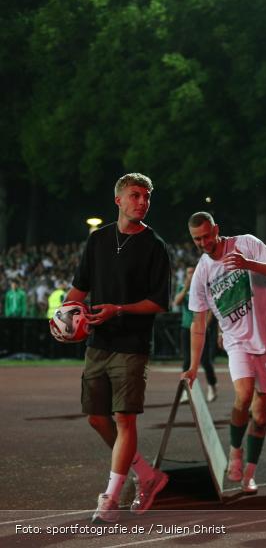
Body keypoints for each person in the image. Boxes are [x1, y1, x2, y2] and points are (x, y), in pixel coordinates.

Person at [55, 173, 170, 523]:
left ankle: (111, 498)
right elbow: (79, 289)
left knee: (124, 419)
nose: (142, 202)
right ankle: (147, 475)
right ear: (118, 200)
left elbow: (158, 303)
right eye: (135, 196)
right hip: (98, 344)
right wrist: (61, 318)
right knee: (96, 417)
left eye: (146, 197)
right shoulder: (99, 239)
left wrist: (118, 310)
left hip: (132, 344)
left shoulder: (155, 246)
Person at [183, 212, 266, 494]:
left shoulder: (246, 243)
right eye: (197, 239)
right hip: (237, 341)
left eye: (207, 235)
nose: (203, 243)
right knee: (243, 395)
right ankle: (235, 451)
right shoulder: (202, 273)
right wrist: (193, 366)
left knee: (262, 415)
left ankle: (250, 474)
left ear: (216, 229)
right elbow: (198, 322)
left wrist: (248, 264)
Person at [173, 266, 217, 403]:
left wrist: (205, 325)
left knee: (205, 361)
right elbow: (177, 302)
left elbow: (211, 309)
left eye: (193, 272)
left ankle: (212, 386)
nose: (191, 275)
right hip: (186, 328)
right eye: (188, 273)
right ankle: (186, 392)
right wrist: (186, 288)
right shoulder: (182, 287)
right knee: (186, 361)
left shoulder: (204, 287)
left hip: (201, 329)